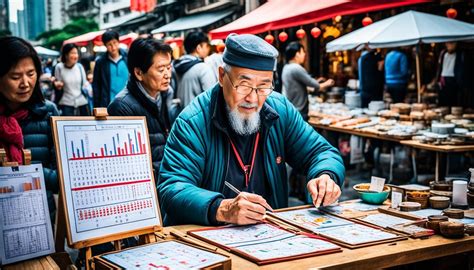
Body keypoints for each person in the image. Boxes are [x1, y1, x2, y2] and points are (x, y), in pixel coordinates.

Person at [158, 34, 345, 226]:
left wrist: (326, 176)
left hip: (271, 235)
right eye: (244, 85)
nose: (253, 98)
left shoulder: (279, 110)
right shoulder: (193, 122)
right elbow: (172, 188)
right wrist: (221, 208)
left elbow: (321, 152)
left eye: (264, 86)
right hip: (209, 241)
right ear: (222, 76)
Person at [0, 36, 60, 222]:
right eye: (15, 77)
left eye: (31, 73)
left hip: (39, 217)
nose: (25, 83)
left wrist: (24, 174)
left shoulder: (48, 112)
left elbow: (62, 177)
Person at [108, 38, 178, 174]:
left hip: (169, 174)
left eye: (169, 67)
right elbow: (129, 162)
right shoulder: (121, 106)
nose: (168, 75)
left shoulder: (165, 93)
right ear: (139, 73)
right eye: (161, 69)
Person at [282, 41, 334, 120]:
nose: (304, 55)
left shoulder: (286, 67)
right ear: (297, 54)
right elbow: (316, 85)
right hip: (298, 111)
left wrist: (315, 83)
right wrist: (328, 83)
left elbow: (299, 86)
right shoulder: (296, 68)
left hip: (291, 109)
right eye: (303, 52)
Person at [173, 31, 216, 108]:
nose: (208, 49)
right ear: (199, 48)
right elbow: (212, 98)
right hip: (199, 117)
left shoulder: (175, 66)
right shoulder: (203, 68)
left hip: (180, 116)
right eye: (207, 46)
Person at [92, 30, 128, 108]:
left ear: (118, 42)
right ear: (105, 46)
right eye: (109, 45)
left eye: (115, 43)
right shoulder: (100, 63)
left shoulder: (128, 58)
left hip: (128, 102)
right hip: (108, 104)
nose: (113, 47)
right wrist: (96, 107)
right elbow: (96, 86)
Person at [53, 43, 91, 116]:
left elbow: (84, 84)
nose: (75, 56)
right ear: (66, 55)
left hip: (81, 102)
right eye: (72, 53)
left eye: (76, 53)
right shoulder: (59, 67)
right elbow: (57, 83)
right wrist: (57, 85)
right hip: (66, 103)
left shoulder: (80, 67)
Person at [432, 42, 472, 107]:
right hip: (443, 80)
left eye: (452, 43)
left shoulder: (460, 54)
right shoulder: (443, 53)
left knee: (453, 104)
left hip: (454, 81)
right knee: (442, 104)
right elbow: (440, 67)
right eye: (448, 43)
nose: (449, 45)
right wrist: (438, 79)